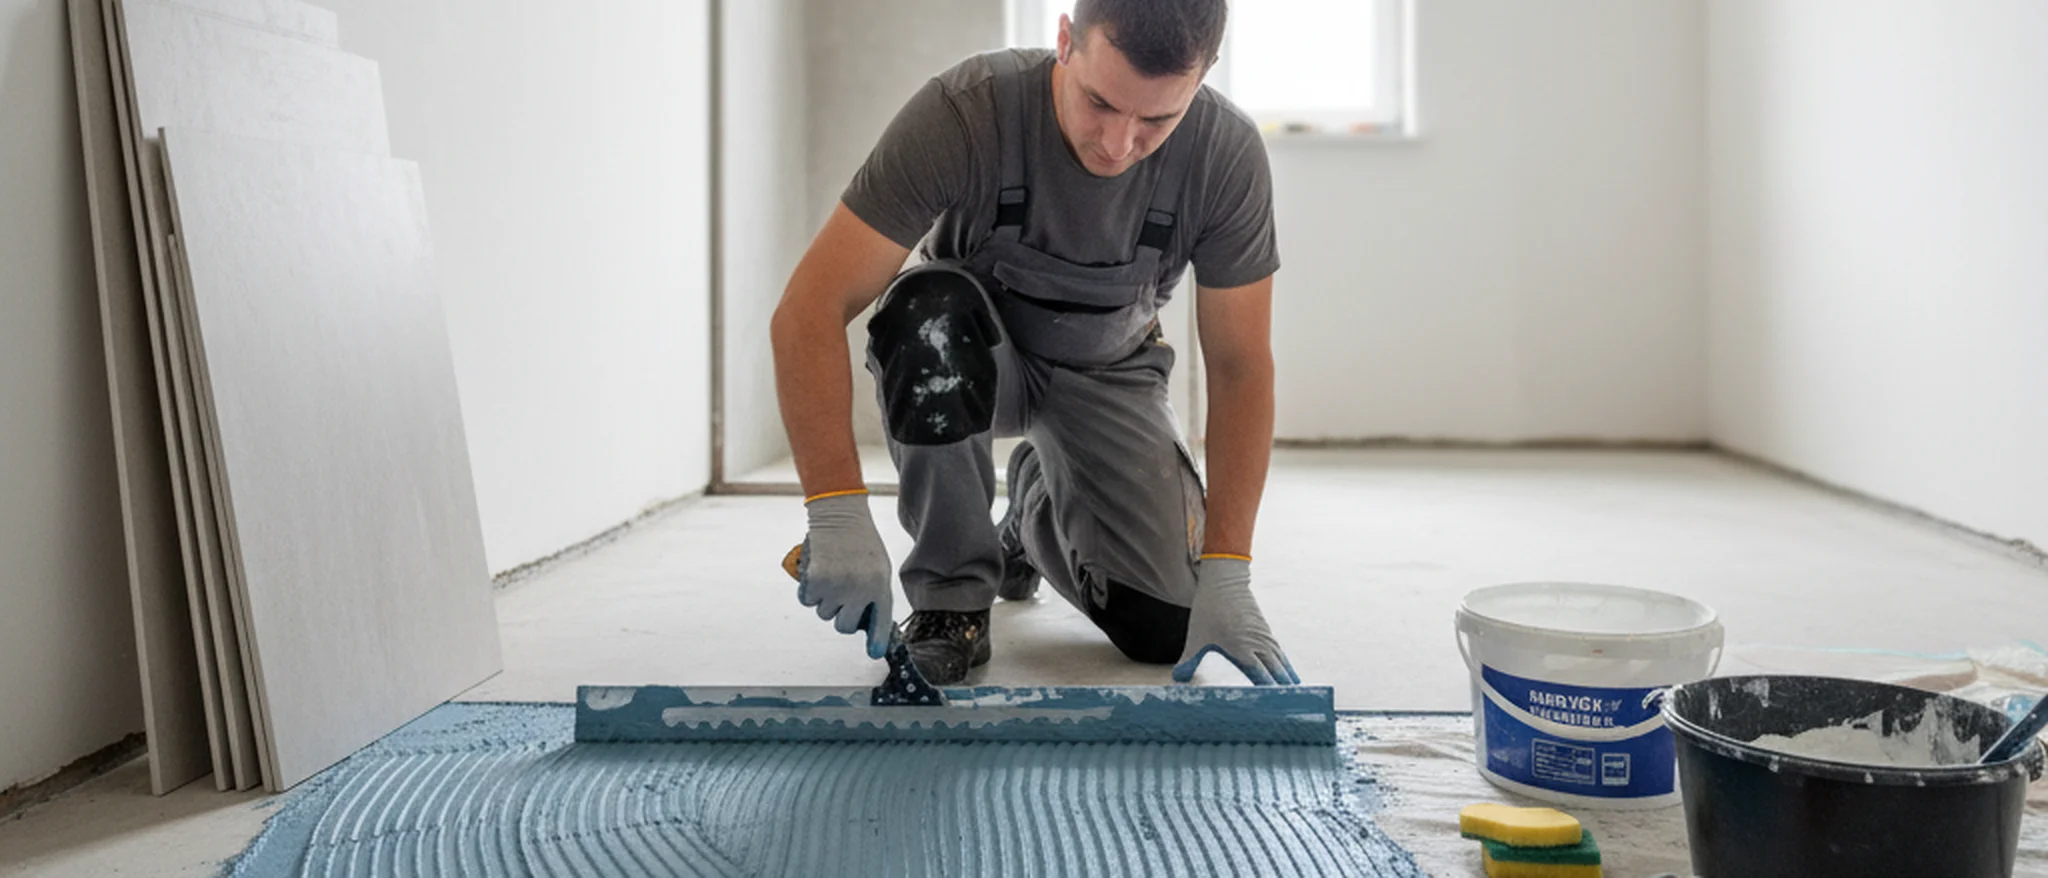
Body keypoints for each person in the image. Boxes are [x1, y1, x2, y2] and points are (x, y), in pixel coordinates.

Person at [769, 0, 1296, 687]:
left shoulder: (1226, 155)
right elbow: (809, 307)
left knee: (1163, 624)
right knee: (925, 310)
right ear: (1065, 40)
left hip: (1111, 372)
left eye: (1156, 120)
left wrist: (1229, 569)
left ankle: (1031, 512)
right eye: (1100, 103)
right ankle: (950, 601)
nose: (1116, 143)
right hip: (972, 360)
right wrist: (836, 508)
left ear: (1205, 77)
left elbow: (1239, 367)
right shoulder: (968, 112)